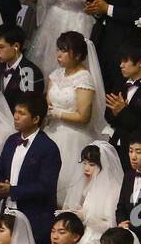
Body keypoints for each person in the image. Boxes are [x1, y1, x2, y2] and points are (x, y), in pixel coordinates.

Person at [0, 94, 61, 244]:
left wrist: (12, 190)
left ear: (35, 119)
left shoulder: (48, 148)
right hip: (8, 214)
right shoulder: (11, 140)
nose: (15, 116)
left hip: (35, 218)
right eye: (15, 112)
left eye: (22, 113)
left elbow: (46, 187)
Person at [41, 32, 102, 200]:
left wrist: (58, 113)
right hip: (50, 131)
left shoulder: (84, 78)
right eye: (58, 49)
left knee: (64, 187)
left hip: (72, 136)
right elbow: (48, 103)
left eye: (64, 50)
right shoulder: (55, 74)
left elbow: (84, 117)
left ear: (78, 55)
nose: (59, 55)